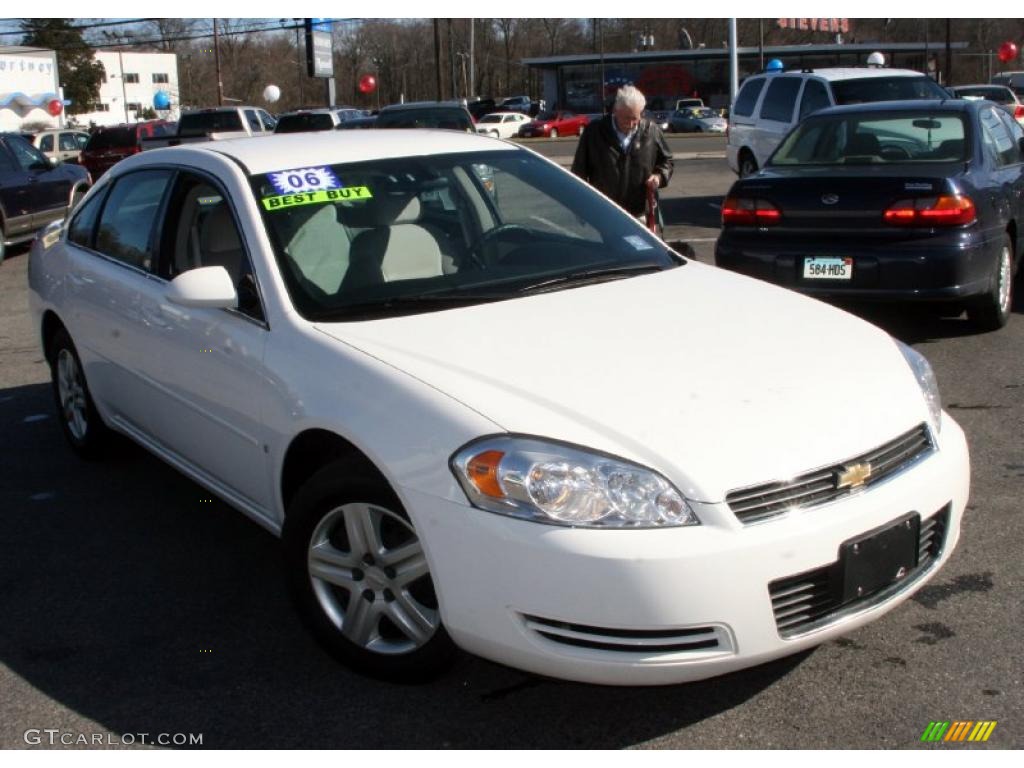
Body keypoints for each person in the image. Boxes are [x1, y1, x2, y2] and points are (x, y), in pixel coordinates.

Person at [571, 85, 673, 228]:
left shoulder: (651, 131)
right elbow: (578, 172)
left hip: (640, 214)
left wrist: (659, 176)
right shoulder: (594, 132)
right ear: (615, 111)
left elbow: (667, 161)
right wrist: (580, 208)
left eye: (635, 119)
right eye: (626, 118)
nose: (631, 124)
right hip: (604, 213)